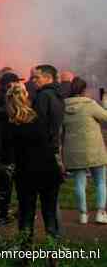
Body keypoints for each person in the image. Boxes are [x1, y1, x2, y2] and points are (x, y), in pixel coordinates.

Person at [7, 84, 62, 243]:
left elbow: (9, 153)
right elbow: (49, 140)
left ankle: (24, 254)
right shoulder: (38, 118)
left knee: (26, 214)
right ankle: (53, 253)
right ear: (26, 96)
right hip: (48, 169)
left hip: (25, 173)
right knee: (50, 214)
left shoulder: (9, 124)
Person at [62, 77, 107, 224]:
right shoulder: (90, 104)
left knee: (79, 183)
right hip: (94, 149)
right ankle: (101, 213)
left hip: (73, 150)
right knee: (100, 181)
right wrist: (105, 102)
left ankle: (83, 214)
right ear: (84, 90)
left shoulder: (63, 106)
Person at [0, 72, 22, 225]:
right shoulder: (10, 98)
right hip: (10, 144)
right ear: (11, 84)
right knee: (9, 180)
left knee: (3, 180)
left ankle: (2, 211)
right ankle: (6, 213)